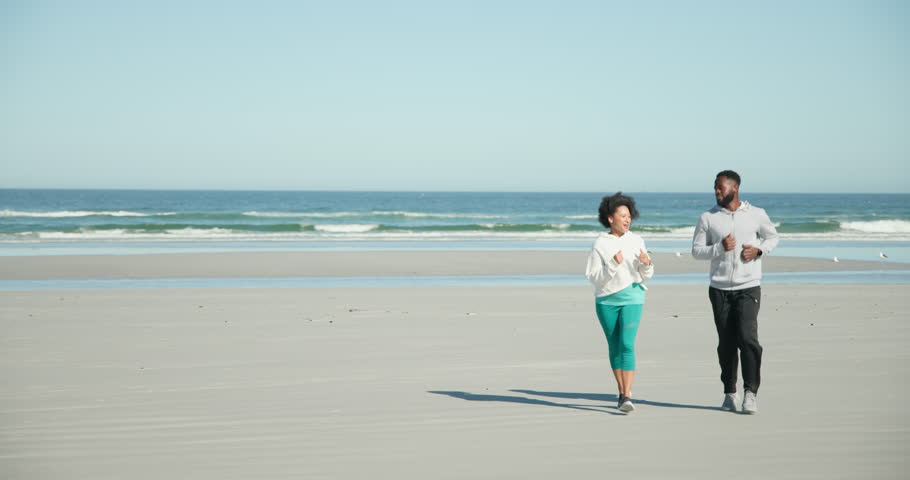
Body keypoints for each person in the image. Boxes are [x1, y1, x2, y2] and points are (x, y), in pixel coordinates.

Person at [691, 170, 779, 414]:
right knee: (726, 343)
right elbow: (697, 251)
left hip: (748, 286)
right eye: (715, 188)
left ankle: (750, 393)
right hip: (719, 289)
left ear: (735, 188)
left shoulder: (756, 214)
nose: (717, 192)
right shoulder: (708, 217)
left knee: (748, 339)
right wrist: (719, 248)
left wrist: (759, 250)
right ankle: (730, 393)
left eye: (721, 188)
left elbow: (773, 237)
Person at [585, 192, 654, 413]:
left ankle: (627, 395)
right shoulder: (600, 243)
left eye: (629, 216)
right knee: (614, 346)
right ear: (610, 219)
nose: (627, 220)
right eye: (622, 215)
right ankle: (621, 392)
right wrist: (613, 264)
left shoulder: (636, 240)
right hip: (606, 300)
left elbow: (646, 274)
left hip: (633, 296)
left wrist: (646, 263)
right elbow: (594, 276)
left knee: (626, 344)